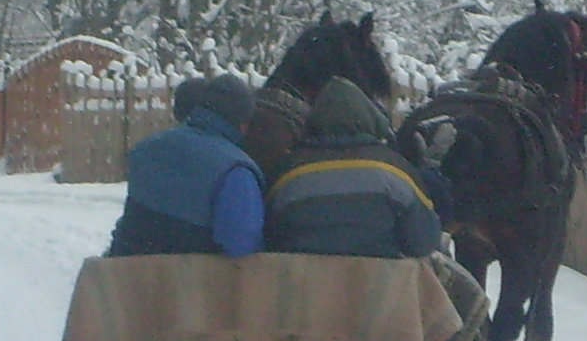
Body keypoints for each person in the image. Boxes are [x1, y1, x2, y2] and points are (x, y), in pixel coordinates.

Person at [265, 76, 451, 257]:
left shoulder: (286, 174)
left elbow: (269, 237)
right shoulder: (394, 171)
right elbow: (424, 241)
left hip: (303, 285)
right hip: (379, 285)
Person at [105, 73, 264, 258]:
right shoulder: (236, 172)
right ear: (243, 123)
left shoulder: (147, 147)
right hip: (189, 282)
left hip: (128, 275)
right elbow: (242, 247)